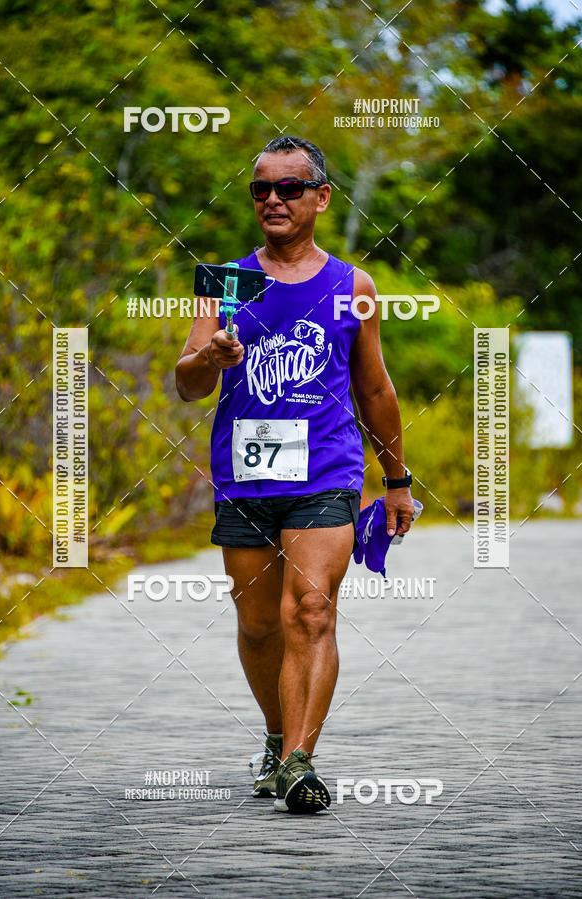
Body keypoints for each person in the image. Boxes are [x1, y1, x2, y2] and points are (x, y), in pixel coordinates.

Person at [175, 136, 415, 814]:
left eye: (289, 187)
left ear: (321, 197)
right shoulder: (227, 281)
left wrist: (397, 480)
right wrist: (211, 358)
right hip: (245, 476)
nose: (273, 199)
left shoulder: (352, 286)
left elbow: (375, 389)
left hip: (327, 470)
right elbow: (187, 383)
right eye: (261, 189)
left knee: (310, 610)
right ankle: (278, 735)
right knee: (258, 626)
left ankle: (299, 762)